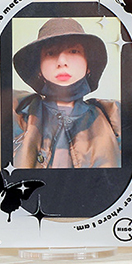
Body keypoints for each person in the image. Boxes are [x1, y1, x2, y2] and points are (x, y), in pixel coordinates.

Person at [12, 18, 121, 169]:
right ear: (39, 68)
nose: (62, 61)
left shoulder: (114, 116)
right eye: (50, 53)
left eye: (73, 51)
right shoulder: (18, 112)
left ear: (88, 65)